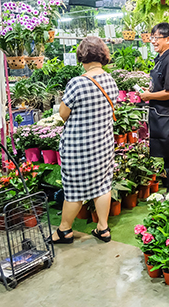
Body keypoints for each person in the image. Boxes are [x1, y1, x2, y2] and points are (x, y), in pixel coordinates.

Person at [51, 36, 118, 244]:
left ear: (82, 56)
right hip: (103, 144)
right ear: (103, 55)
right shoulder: (110, 80)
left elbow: (63, 114)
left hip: (79, 147)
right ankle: (103, 228)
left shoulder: (77, 83)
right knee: (103, 185)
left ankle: (64, 230)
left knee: (74, 189)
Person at [140, 23, 169, 191]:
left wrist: (149, 96)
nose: (153, 41)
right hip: (164, 116)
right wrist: (150, 91)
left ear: (168, 39)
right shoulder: (161, 59)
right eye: (152, 37)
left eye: (156, 38)